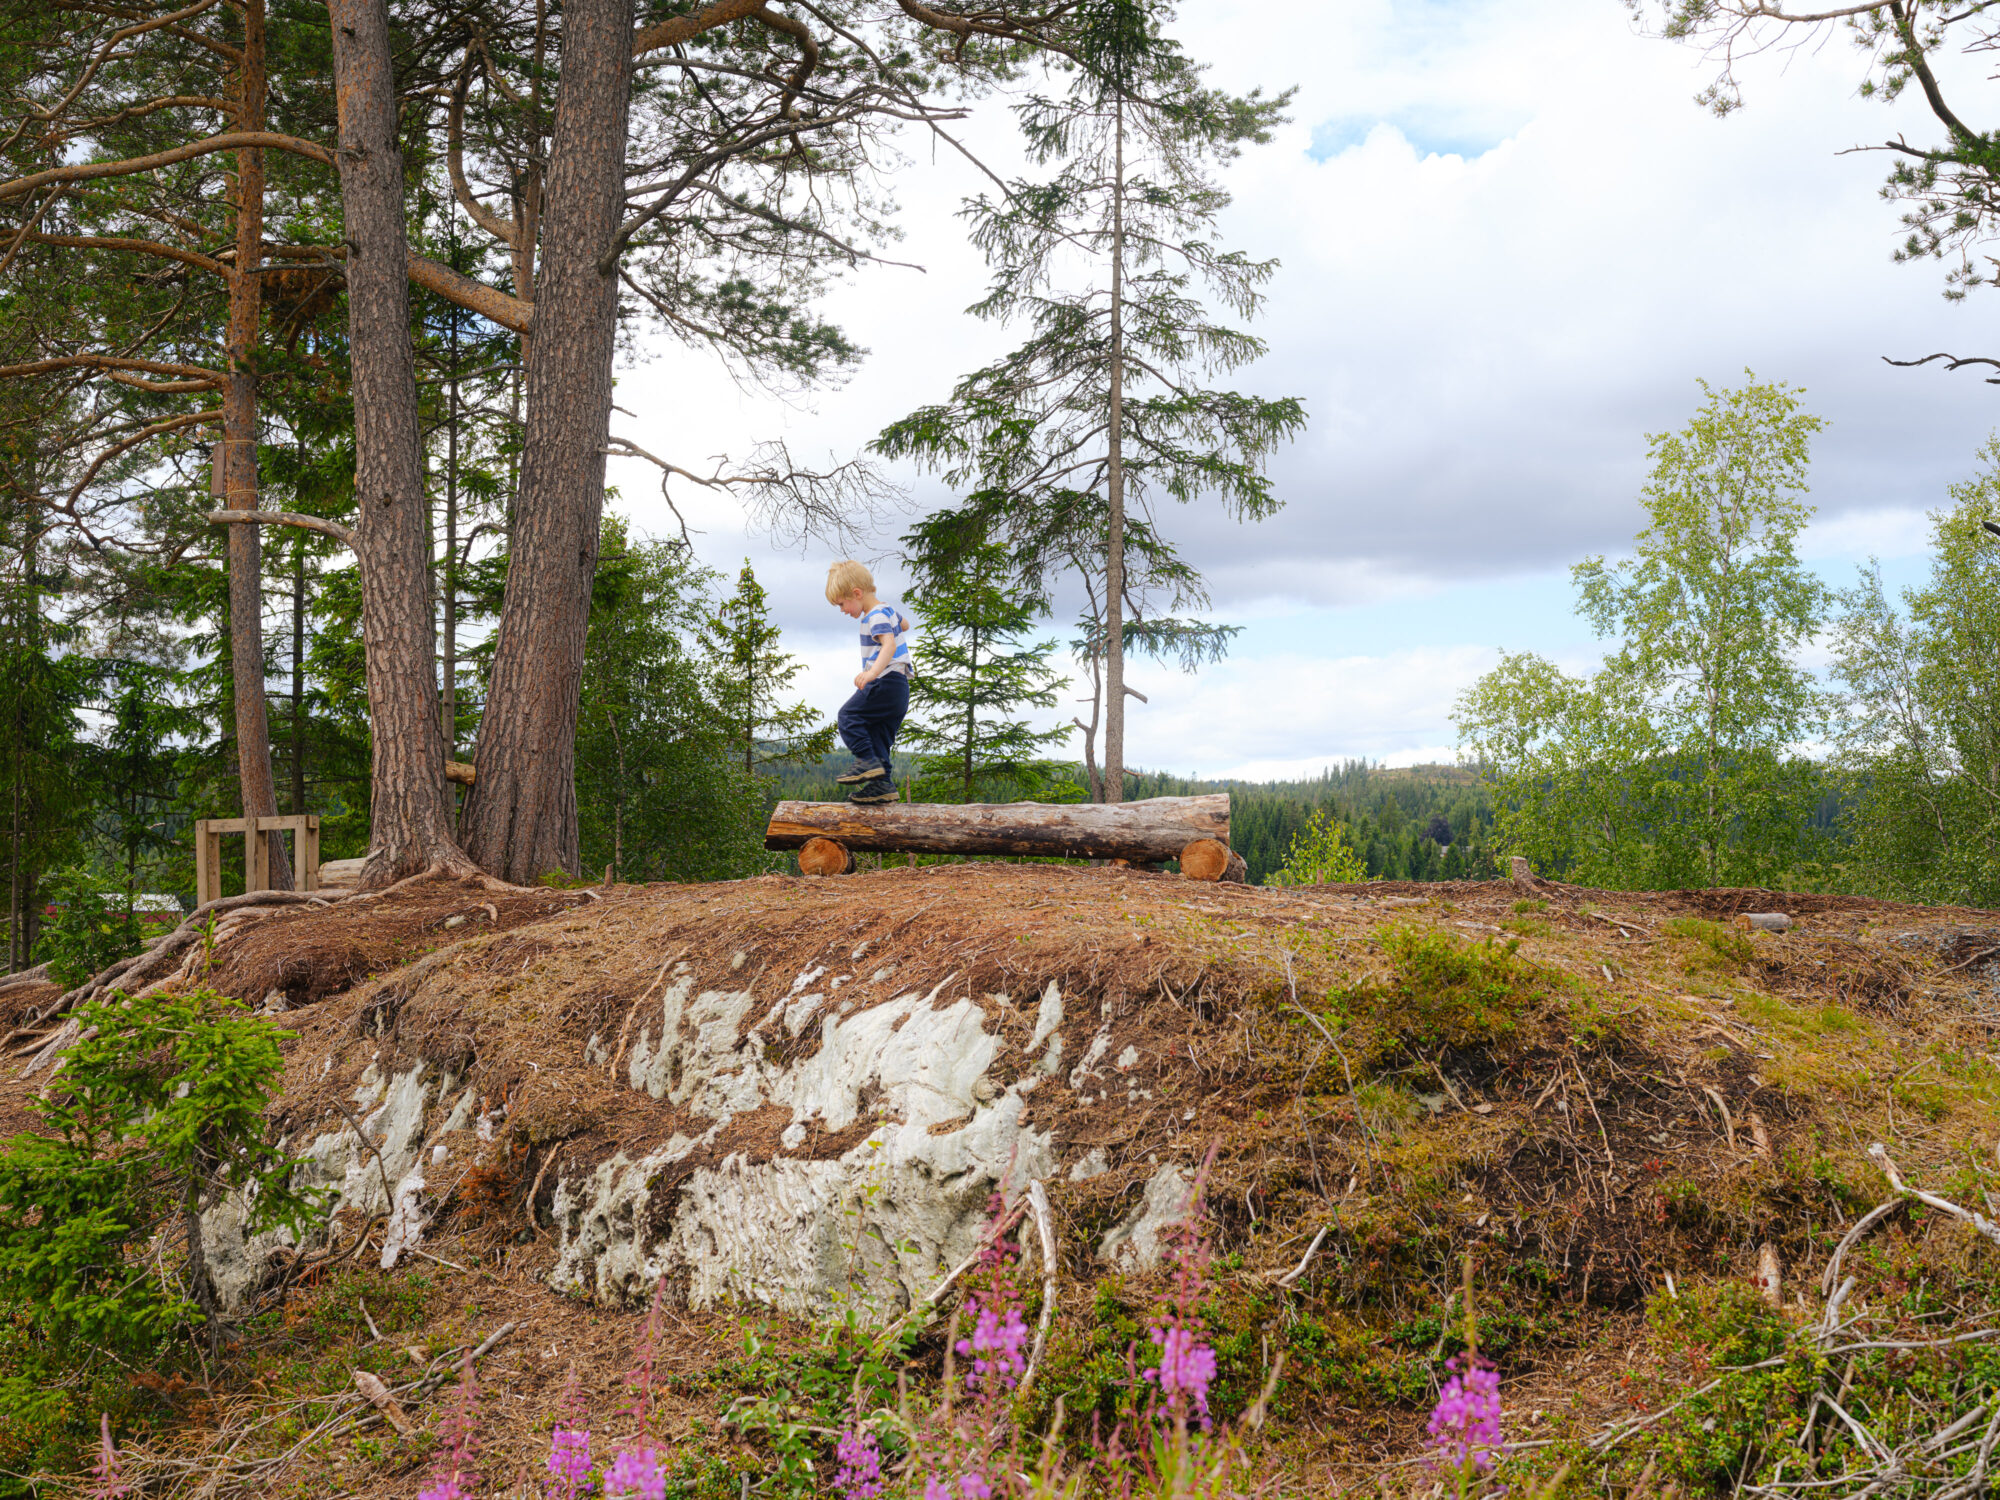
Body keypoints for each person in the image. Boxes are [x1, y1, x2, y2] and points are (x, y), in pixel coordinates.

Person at [826, 560, 914, 804]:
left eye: (842, 603)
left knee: (848, 716)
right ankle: (882, 785)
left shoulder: (874, 615)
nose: (843, 610)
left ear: (857, 593)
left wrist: (872, 672)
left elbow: (889, 644)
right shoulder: (885, 610)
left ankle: (866, 761)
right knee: (878, 735)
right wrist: (893, 623)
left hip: (885, 682)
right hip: (899, 690)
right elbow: (905, 625)